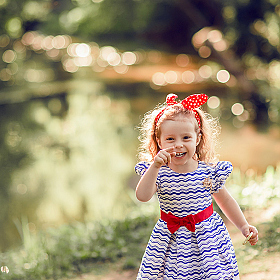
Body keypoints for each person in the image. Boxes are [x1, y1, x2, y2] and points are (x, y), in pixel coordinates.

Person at [134, 93, 258, 280]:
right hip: (170, 239)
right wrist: (155, 166)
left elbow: (225, 200)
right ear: (159, 141)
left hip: (206, 238)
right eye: (170, 139)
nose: (178, 145)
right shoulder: (157, 172)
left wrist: (243, 226)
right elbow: (142, 196)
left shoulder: (207, 172)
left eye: (186, 138)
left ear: (197, 138)